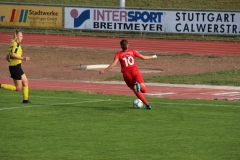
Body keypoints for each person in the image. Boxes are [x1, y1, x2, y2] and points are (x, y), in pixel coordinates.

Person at [99, 39, 157, 110]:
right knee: (143, 90)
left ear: (120, 46)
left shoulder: (118, 54)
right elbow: (144, 58)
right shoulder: (132, 51)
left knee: (135, 90)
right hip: (134, 71)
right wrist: (153, 56)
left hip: (126, 74)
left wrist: (104, 70)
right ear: (127, 45)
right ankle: (139, 86)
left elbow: (114, 64)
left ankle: (148, 105)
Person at [0, 29, 30, 103]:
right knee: (18, 88)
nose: (22, 37)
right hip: (15, 67)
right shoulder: (16, 45)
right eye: (21, 36)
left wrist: (15, 63)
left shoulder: (12, 45)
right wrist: (23, 58)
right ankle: (0, 85)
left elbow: (7, 57)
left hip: (16, 66)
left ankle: (25, 100)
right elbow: (13, 54)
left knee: (25, 82)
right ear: (17, 37)